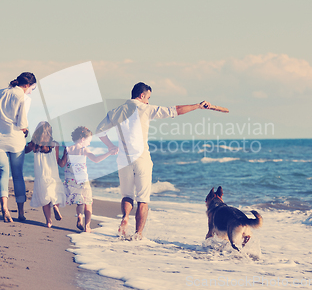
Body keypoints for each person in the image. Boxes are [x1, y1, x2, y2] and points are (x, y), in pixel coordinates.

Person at [96, 82, 211, 239]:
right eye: (148, 97)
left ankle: (125, 218)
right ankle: (138, 234)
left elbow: (99, 131)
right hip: (141, 159)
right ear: (142, 96)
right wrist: (197, 106)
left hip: (123, 160)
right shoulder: (145, 109)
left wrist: (110, 146)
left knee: (127, 195)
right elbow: (175, 110)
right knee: (142, 200)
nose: (148, 101)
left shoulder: (116, 111)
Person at [0, 72, 37, 223]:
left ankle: (4, 207)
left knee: (3, 173)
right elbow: (22, 123)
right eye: (32, 88)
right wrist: (26, 131)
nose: (31, 91)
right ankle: (21, 213)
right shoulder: (23, 97)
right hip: (16, 141)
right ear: (27, 85)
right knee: (17, 176)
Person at [60, 126, 118, 232]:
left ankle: (79, 217)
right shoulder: (83, 149)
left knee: (79, 202)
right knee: (88, 202)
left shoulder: (67, 149)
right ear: (82, 139)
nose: (89, 143)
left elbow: (63, 164)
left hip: (70, 180)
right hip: (82, 180)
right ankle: (87, 226)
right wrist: (109, 153)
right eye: (89, 141)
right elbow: (96, 159)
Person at [25, 121, 65, 228]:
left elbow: (23, 151)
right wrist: (66, 153)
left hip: (41, 176)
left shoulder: (34, 145)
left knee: (45, 200)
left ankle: (49, 221)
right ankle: (56, 207)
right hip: (53, 175)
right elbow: (58, 161)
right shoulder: (55, 144)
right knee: (54, 195)